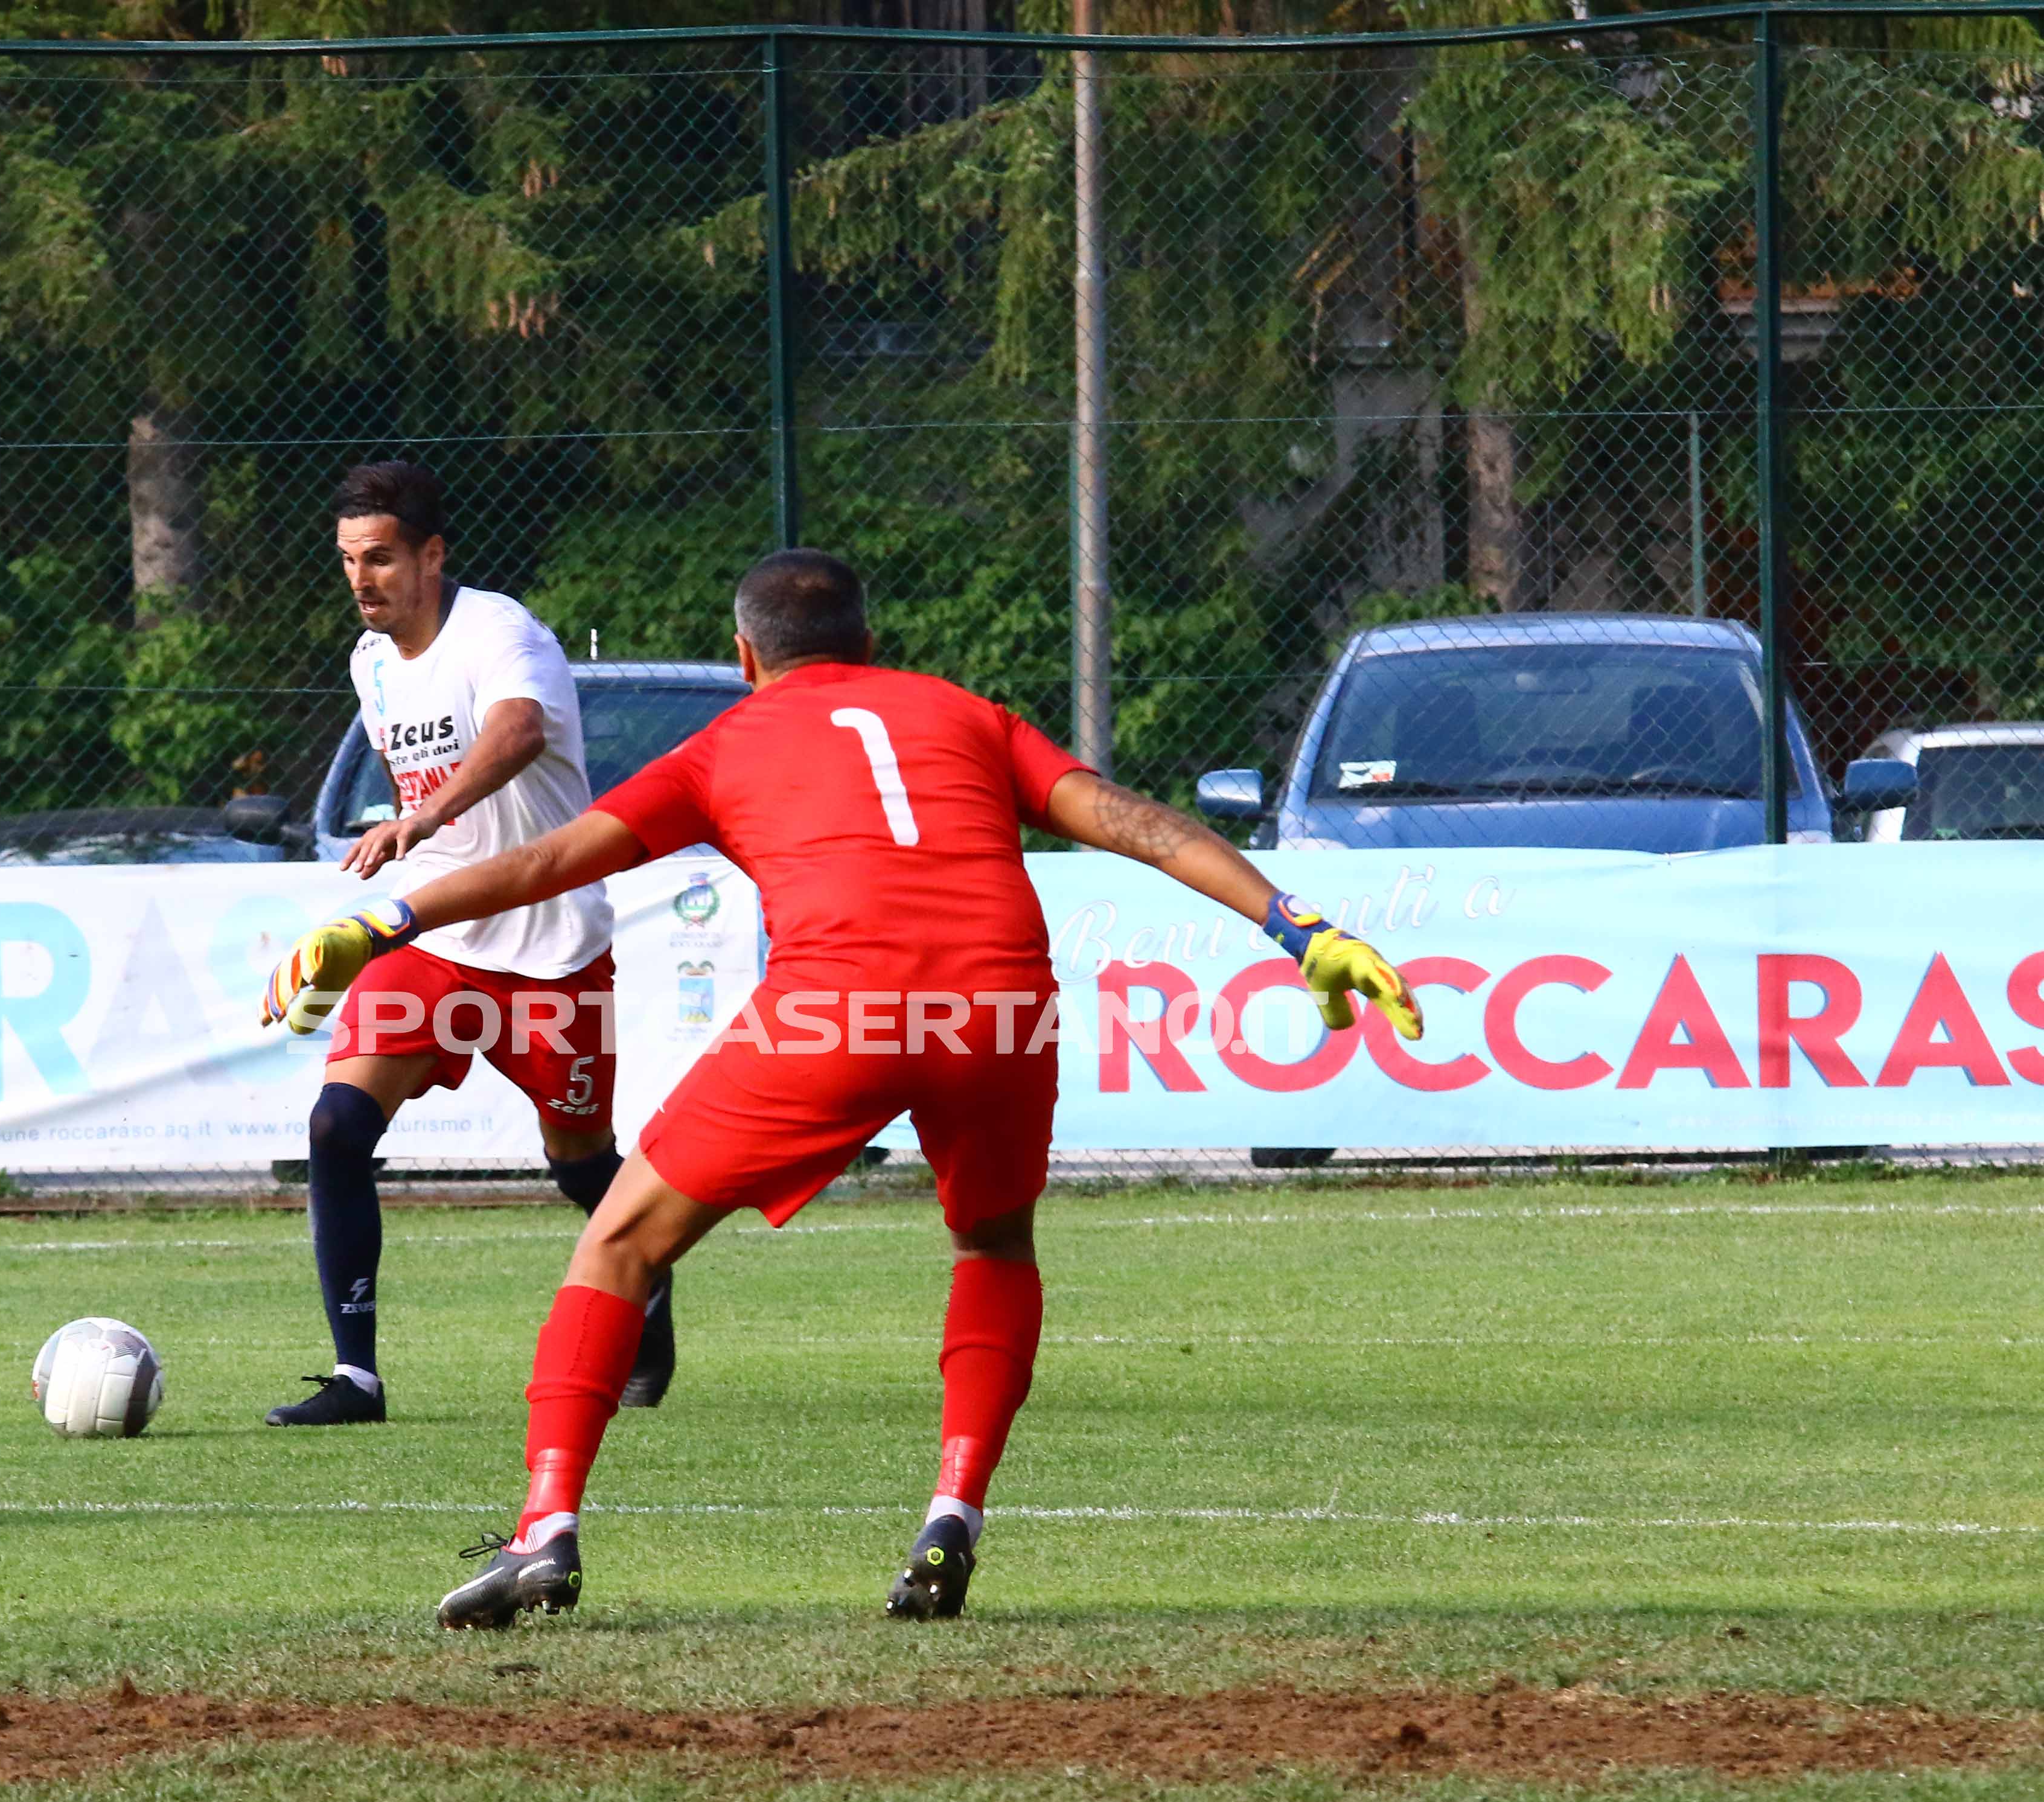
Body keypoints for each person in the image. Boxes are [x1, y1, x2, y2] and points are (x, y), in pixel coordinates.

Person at [260, 549, 1422, 1625]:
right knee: (993, 1247)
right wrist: (1293, 922)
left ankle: (546, 1528)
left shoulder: (727, 741)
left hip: (836, 1012)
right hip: (1000, 1006)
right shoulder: (965, 713)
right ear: (867, 643)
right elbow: (1126, 822)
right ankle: (949, 1516)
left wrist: (387, 914)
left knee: (617, 1243)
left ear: (747, 655)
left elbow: (552, 857)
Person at [260, 461, 673, 1427]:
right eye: (349, 560)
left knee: (578, 1162)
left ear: (432, 554)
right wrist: (417, 843)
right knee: (336, 1127)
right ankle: (355, 1377)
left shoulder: (498, 631)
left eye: (383, 559)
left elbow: (521, 732)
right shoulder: (368, 663)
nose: (363, 580)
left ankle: (647, 1278)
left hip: (552, 946)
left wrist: (424, 813)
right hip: (433, 933)